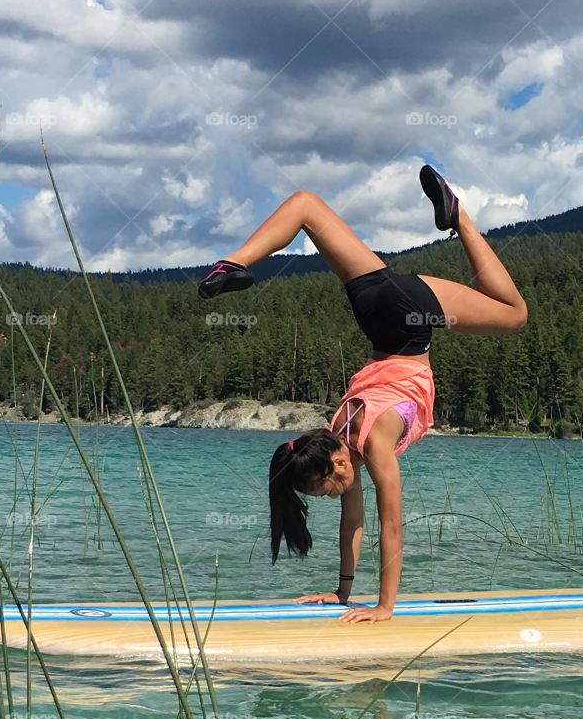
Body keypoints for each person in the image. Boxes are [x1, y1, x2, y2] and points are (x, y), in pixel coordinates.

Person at [197, 166, 527, 624]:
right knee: (307, 206)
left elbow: (391, 522)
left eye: (326, 489)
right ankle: (234, 263)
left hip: (406, 321)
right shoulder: (338, 436)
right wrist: (343, 592)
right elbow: (353, 523)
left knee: (515, 315)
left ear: (335, 464)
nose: (334, 497)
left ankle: (462, 219)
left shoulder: (371, 444)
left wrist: (385, 607)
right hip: (378, 315)